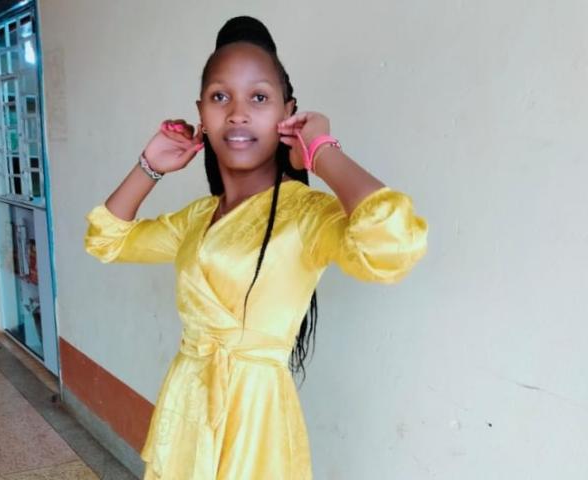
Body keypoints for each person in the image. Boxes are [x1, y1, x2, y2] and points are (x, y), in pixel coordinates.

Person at [84, 15, 428, 480]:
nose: (237, 113)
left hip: (257, 424)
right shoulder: (197, 218)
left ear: (289, 111)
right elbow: (107, 239)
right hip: (187, 411)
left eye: (259, 98)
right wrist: (150, 166)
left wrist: (322, 150)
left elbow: (393, 243)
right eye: (219, 97)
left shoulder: (305, 215)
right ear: (201, 113)